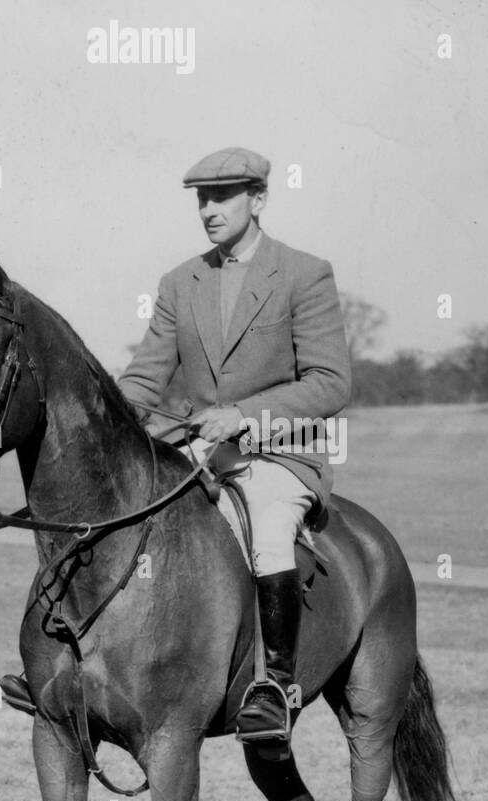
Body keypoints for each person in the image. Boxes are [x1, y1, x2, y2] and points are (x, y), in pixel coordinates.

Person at [118, 146, 352, 747]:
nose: (209, 210)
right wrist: (109, 416)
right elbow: (145, 379)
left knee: (269, 530)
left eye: (222, 197)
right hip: (197, 455)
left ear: (259, 199)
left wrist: (244, 416)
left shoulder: (305, 272)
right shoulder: (180, 281)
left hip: (279, 455)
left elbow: (331, 382)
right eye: (202, 198)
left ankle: (274, 687)